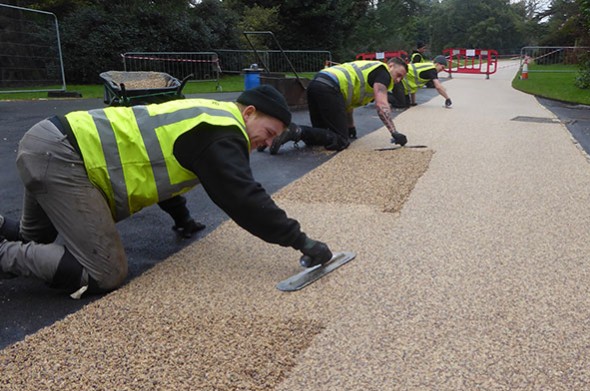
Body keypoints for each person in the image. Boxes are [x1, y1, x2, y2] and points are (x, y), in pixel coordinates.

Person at [0, 85, 333, 298]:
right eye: (269, 131)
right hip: (64, 158)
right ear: (249, 112)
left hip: (47, 143)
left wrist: (182, 217)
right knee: (104, 272)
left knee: (34, 241)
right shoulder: (225, 133)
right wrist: (300, 241)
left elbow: (156, 162)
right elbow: (243, 198)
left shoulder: (208, 115)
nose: (269, 142)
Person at [267, 58, 409, 155]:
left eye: (401, 78)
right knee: (340, 141)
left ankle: (274, 133)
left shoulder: (369, 68)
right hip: (330, 89)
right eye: (398, 75)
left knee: (320, 135)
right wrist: (394, 132)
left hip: (317, 84)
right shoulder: (383, 73)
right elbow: (382, 104)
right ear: (390, 65)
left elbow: (348, 101)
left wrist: (350, 126)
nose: (397, 80)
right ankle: (293, 130)